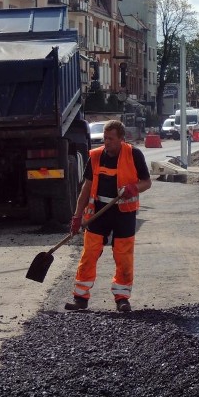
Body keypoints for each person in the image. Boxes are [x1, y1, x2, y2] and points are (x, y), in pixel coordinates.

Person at [66, 120, 152, 312]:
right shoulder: (95, 157)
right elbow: (86, 188)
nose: (107, 142)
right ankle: (80, 298)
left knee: (123, 257)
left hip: (124, 214)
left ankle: (122, 298)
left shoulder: (133, 154)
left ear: (122, 139)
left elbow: (146, 182)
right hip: (99, 213)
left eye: (111, 139)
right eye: (105, 138)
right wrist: (77, 217)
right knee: (89, 254)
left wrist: (133, 188)